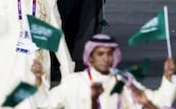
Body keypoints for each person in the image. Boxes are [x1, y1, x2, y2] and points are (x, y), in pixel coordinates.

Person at [31, 34, 176, 108]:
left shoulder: (124, 80)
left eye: (109, 54)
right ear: (90, 58)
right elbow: (45, 104)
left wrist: (168, 77)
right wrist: (38, 79)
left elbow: (159, 102)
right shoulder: (74, 81)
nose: (106, 58)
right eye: (100, 54)